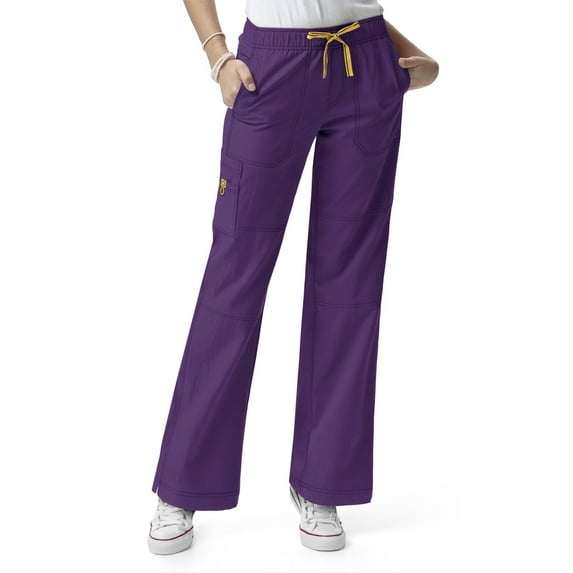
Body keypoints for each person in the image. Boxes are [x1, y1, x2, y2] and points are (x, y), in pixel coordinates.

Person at [147, 0, 439, 555]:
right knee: (233, 280)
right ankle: (183, 485)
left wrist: (406, 54)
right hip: (270, 69)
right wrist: (217, 56)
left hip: (365, 63)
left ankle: (322, 484)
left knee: (350, 286)